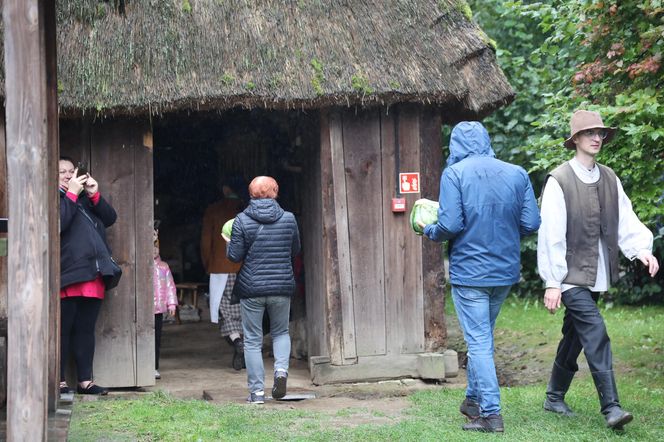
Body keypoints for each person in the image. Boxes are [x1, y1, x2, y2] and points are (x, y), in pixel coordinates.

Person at [538, 109, 659, 430]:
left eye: (600, 133)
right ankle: (612, 408)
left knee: (575, 334)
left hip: (594, 274)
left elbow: (625, 220)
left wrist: (642, 250)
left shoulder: (609, 178)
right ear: (575, 139)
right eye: (590, 133)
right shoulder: (558, 181)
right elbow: (550, 235)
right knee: (595, 331)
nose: (596, 138)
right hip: (568, 277)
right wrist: (553, 281)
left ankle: (554, 396)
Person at [421, 122, 541, 432]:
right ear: (487, 140)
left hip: (471, 272)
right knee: (482, 338)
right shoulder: (517, 173)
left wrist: (429, 230)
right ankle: (472, 401)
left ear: (456, 144)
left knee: (478, 344)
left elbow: (448, 225)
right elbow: (531, 222)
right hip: (504, 272)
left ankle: (491, 414)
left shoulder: (455, 174)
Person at [227, 176, 301, 404]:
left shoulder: (240, 220)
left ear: (250, 194)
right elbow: (295, 250)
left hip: (252, 288)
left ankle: (257, 393)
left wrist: (227, 241)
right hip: (281, 286)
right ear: (276, 191)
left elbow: (234, 257)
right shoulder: (289, 219)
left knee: (251, 340)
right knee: (280, 332)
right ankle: (280, 372)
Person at [59, 156, 118, 395]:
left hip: (93, 274)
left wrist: (93, 193)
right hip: (68, 274)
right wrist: (71, 194)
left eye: (71, 171)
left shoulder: (84, 200)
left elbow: (110, 218)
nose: (67, 174)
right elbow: (59, 223)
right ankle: (59, 382)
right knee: (62, 330)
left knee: (85, 329)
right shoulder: (55, 198)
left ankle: (85, 382)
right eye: (61, 171)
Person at [200, 180, 245, 370]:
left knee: (225, 312)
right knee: (245, 312)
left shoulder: (213, 210)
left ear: (226, 189)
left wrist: (208, 264)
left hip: (220, 268)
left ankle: (236, 341)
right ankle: (246, 345)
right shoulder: (245, 209)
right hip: (245, 269)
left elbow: (205, 241)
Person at [153, 229, 177, 380]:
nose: (153, 250)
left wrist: (172, 304)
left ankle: (154, 367)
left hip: (158, 309)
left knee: (156, 339)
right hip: (143, 310)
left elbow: (170, 286)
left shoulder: (163, 267)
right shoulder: (140, 266)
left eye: (156, 246)